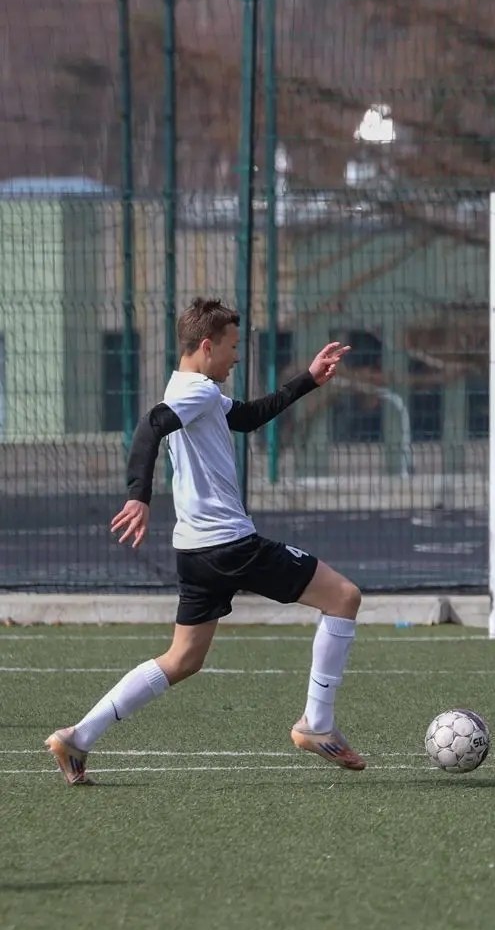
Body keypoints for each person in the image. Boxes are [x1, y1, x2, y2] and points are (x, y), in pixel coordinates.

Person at [45, 298, 366, 785]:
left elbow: (249, 417)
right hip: (230, 545)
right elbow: (150, 427)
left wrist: (308, 379)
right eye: (233, 347)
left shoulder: (194, 390)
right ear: (207, 345)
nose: (237, 357)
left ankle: (77, 737)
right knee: (344, 597)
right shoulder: (194, 392)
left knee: (183, 659)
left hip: (195, 551)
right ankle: (316, 723)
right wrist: (138, 496)